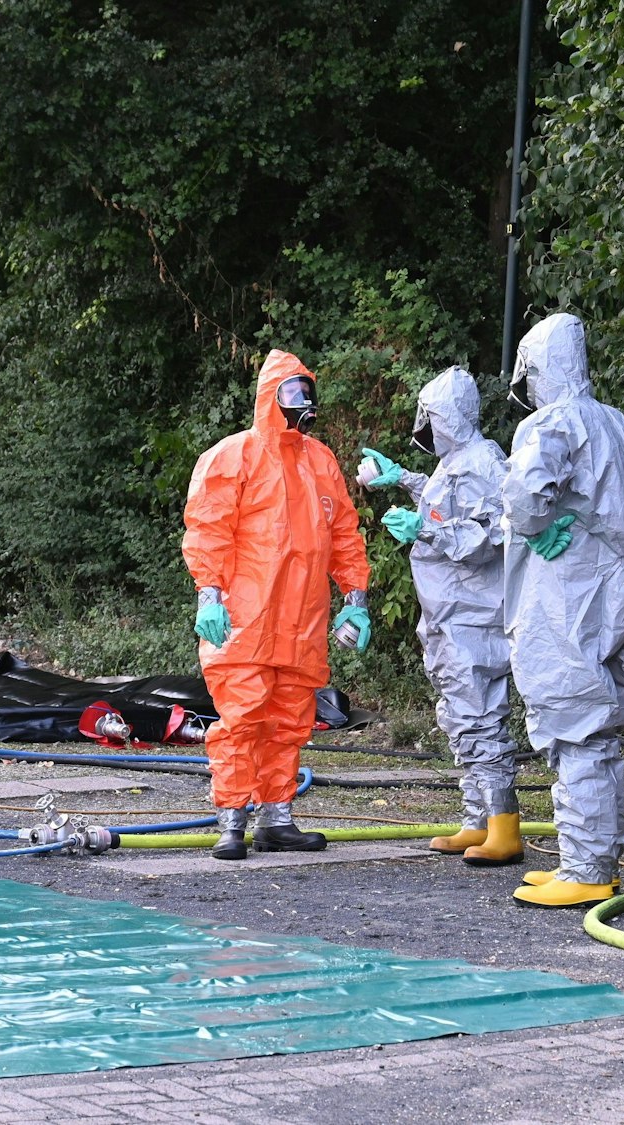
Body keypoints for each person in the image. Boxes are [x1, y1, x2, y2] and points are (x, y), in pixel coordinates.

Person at [182, 350, 372, 860]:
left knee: (290, 720)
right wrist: (209, 593)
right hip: (245, 618)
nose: (301, 403)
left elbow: (344, 535)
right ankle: (232, 820)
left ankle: (277, 818)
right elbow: (209, 531)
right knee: (241, 718)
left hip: (302, 620)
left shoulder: (320, 460)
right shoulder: (232, 457)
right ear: (271, 397)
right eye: (291, 393)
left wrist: (355, 599)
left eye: (306, 393)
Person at [500, 313, 624, 908]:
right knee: (603, 718)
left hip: (574, 587)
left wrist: (535, 525)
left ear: (536, 368)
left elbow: (522, 495)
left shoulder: (553, 423)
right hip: (622, 581)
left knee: (575, 721)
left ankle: (587, 866)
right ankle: (593, 855)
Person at [359, 365, 523, 866]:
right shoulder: (458, 463)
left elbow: (488, 532)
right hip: (450, 615)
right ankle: (478, 820)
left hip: (472, 615)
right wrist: (405, 480)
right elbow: (444, 508)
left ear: (447, 416)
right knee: (461, 718)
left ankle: (503, 827)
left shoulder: (480, 462)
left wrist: (425, 531)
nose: (425, 427)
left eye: (430, 416)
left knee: (480, 718)